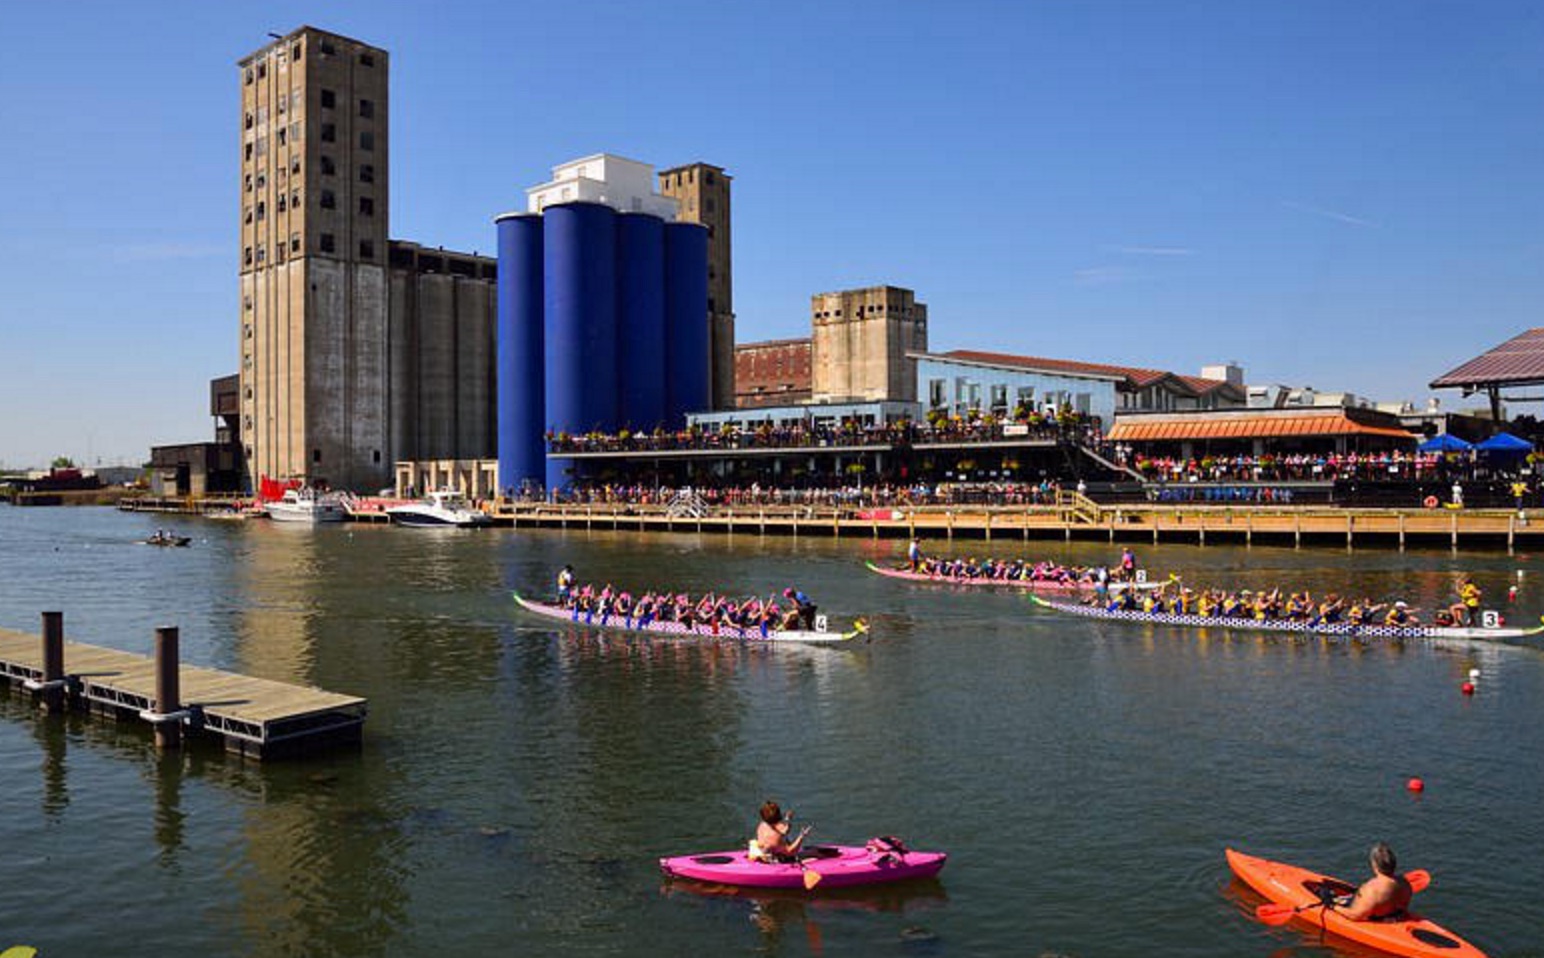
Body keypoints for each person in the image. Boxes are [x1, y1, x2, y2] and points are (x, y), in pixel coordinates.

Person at [1330, 842, 1412, 921]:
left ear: (1375, 865)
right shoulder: (1405, 883)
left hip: (1372, 918)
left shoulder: (1371, 890)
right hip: (1393, 915)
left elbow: (1355, 916)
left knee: (1327, 895)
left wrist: (1332, 906)